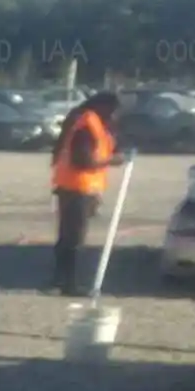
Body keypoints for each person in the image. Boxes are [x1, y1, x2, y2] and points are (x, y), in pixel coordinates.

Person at [48, 91, 131, 295]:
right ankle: (69, 284)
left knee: (67, 237)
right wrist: (113, 161)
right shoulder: (87, 125)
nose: (115, 117)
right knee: (74, 239)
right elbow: (82, 160)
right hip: (77, 188)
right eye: (114, 112)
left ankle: (61, 280)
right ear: (104, 107)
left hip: (76, 187)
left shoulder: (90, 122)